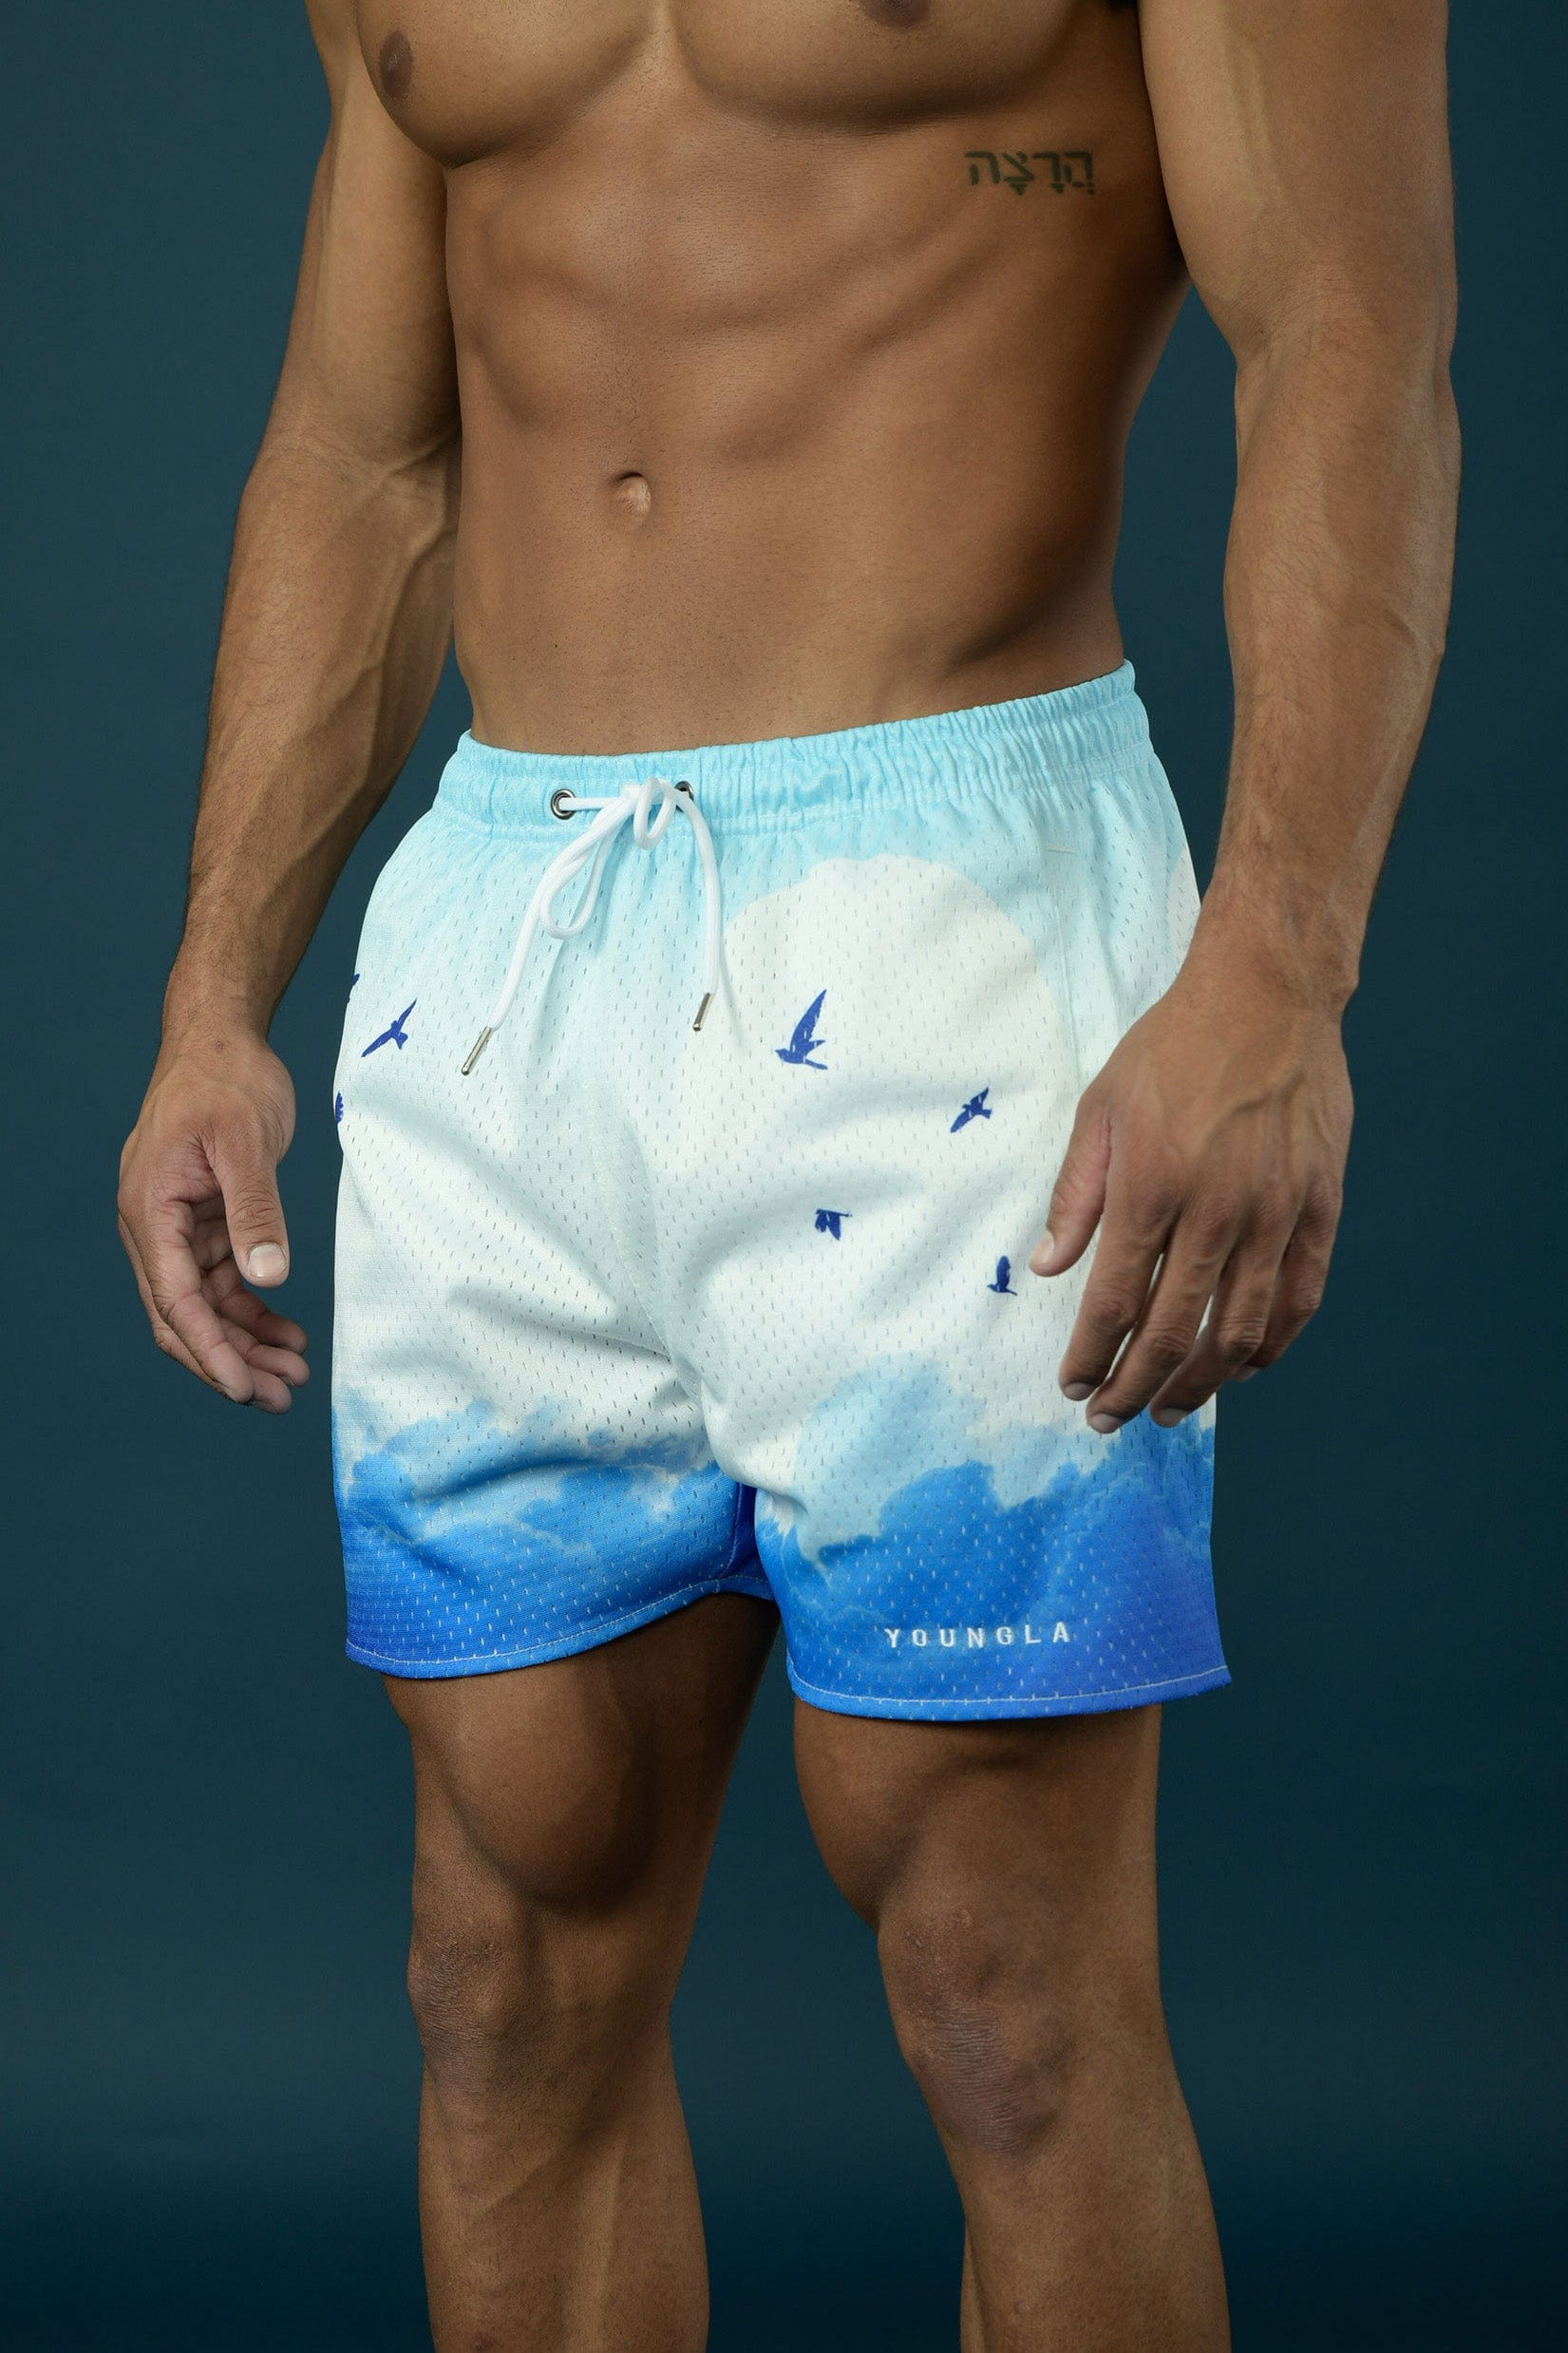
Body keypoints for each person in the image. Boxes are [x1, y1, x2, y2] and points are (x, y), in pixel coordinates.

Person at [117, 3, 1457, 2344]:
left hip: (953, 918)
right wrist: (212, 995)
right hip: (507, 949)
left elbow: (1350, 335)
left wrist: (1279, 961)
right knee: (498, 1972)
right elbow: (364, 445)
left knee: (1002, 1989)